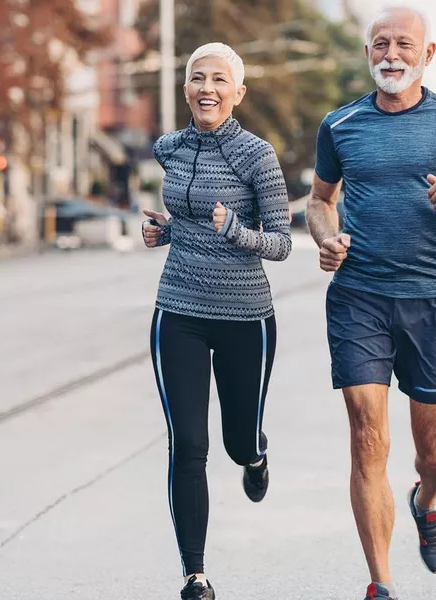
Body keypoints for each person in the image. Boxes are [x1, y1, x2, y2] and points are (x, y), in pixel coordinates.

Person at [306, 7, 436, 600]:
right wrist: (326, 237)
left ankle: (427, 501)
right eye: (380, 44)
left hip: (431, 304)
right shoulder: (340, 124)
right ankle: (382, 585)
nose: (390, 54)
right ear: (368, 52)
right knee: (369, 437)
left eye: (403, 44)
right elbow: (319, 201)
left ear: (427, 55)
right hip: (358, 300)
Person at [142, 42, 292, 600]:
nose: (208, 88)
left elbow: (280, 244)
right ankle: (195, 575)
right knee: (188, 444)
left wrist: (234, 230)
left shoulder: (257, 155)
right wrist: (164, 232)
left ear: (238, 93)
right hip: (177, 310)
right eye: (198, 79)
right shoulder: (169, 149)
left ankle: (255, 456)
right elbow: (183, 221)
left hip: (243, 316)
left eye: (219, 80)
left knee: (235, 441)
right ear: (186, 89)